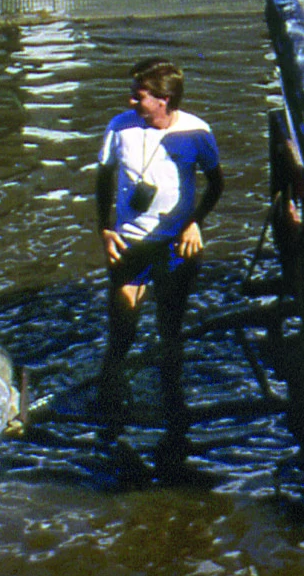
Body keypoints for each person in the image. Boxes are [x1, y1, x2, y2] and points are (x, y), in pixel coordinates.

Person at [95, 57, 223, 431]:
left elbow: (216, 184)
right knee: (122, 321)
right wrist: (105, 230)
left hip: (175, 244)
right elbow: (103, 180)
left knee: (171, 324)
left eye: (139, 96)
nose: (131, 101)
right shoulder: (120, 127)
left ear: (164, 99)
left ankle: (173, 400)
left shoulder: (197, 132)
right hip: (130, 242)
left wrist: (195, 223)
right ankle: (109, 398)